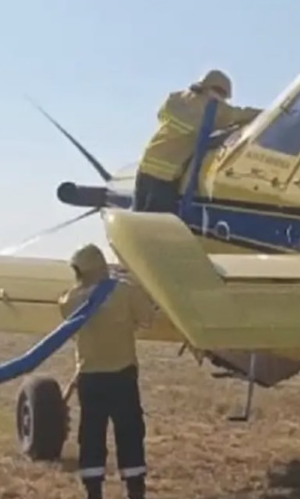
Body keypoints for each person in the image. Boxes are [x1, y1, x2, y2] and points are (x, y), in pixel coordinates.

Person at [58, 244, 156, 499]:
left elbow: (65, 307)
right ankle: (135, 489)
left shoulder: (72, 299)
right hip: (122, 375)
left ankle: (93, 491)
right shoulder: (124, 292)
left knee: (91, 434)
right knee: (130, 431)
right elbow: (147, 317)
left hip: (90, 379)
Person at [134, 69, 263, 213]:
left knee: (138, 218)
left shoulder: (177, 98)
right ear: (215, 90)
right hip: (165, 174)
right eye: (223, 96)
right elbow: (241, 114)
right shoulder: (214, 109)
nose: (224, 100)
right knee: (159, 223)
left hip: (146, 163)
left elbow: (161, 115)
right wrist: (272, 113)